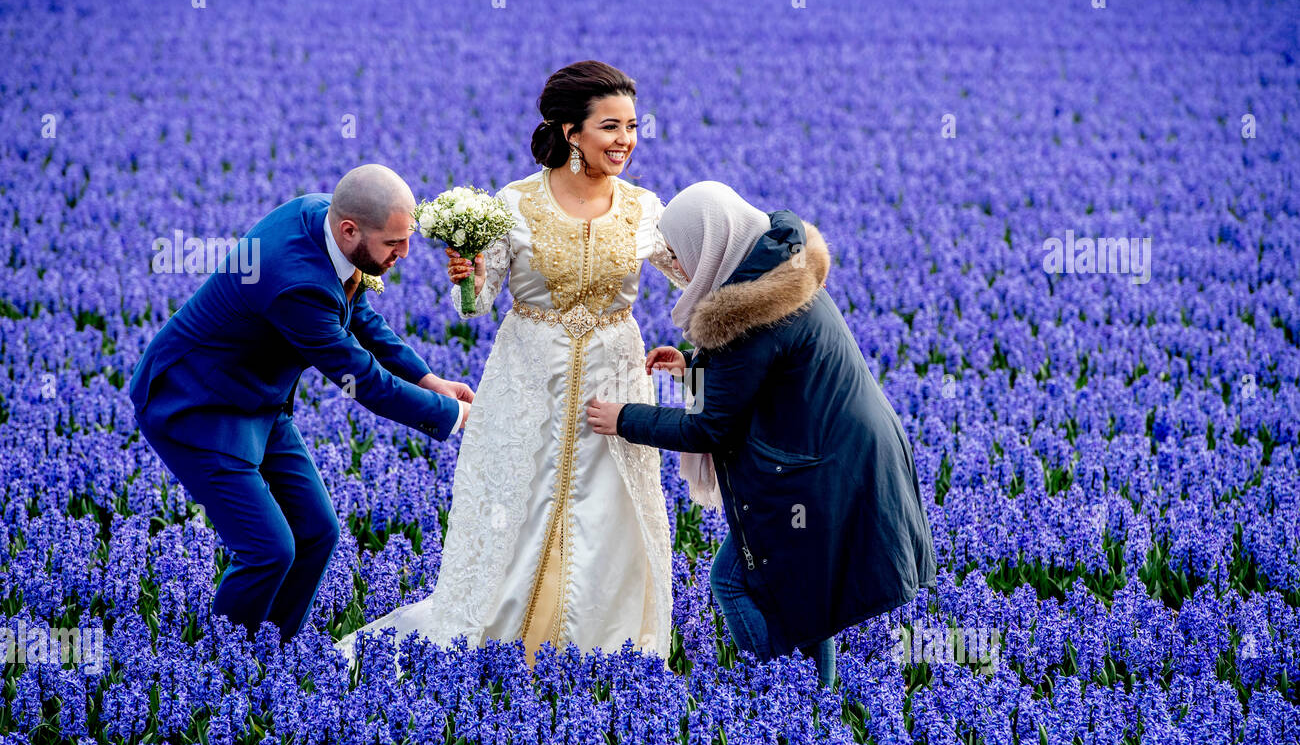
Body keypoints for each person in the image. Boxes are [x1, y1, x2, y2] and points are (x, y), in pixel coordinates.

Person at [336, 61, 687, 670]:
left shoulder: (644, 208)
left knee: (613, 512)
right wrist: (466, 276)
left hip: (615, 380)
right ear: (571, 132)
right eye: (611, 126)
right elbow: (477, 304)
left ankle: (608, 653)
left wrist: (707, 346)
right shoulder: (516, 203)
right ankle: (506, 645)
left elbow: (699, 279)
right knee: (519, 505)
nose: (626, 140)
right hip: (529, 378)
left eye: (632, 126)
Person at [587, 181, 938, 689]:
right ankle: (818, 697)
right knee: (803, 583)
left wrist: (625, 418)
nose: (679, 271)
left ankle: (783, 694)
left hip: (821, 463)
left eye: (682, 255)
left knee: (733, 580)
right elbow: (759, 376)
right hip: (841, 449)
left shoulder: (745, 317)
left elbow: (711, 427)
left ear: (712, 247)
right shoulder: (775, 277)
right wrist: (693, 367)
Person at [130, 164, 473, 644]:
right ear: (350, 230)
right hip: (195, 405)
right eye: (393, 243)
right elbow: (363, 382)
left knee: (318, 532)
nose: (405, 253)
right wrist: (454, 416)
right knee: (267, 550)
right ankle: (218, 666)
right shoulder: (296, 284)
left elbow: (358, 318)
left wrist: (429, 379)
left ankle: (273, 652)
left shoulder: (322, 217)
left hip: (259, 397)